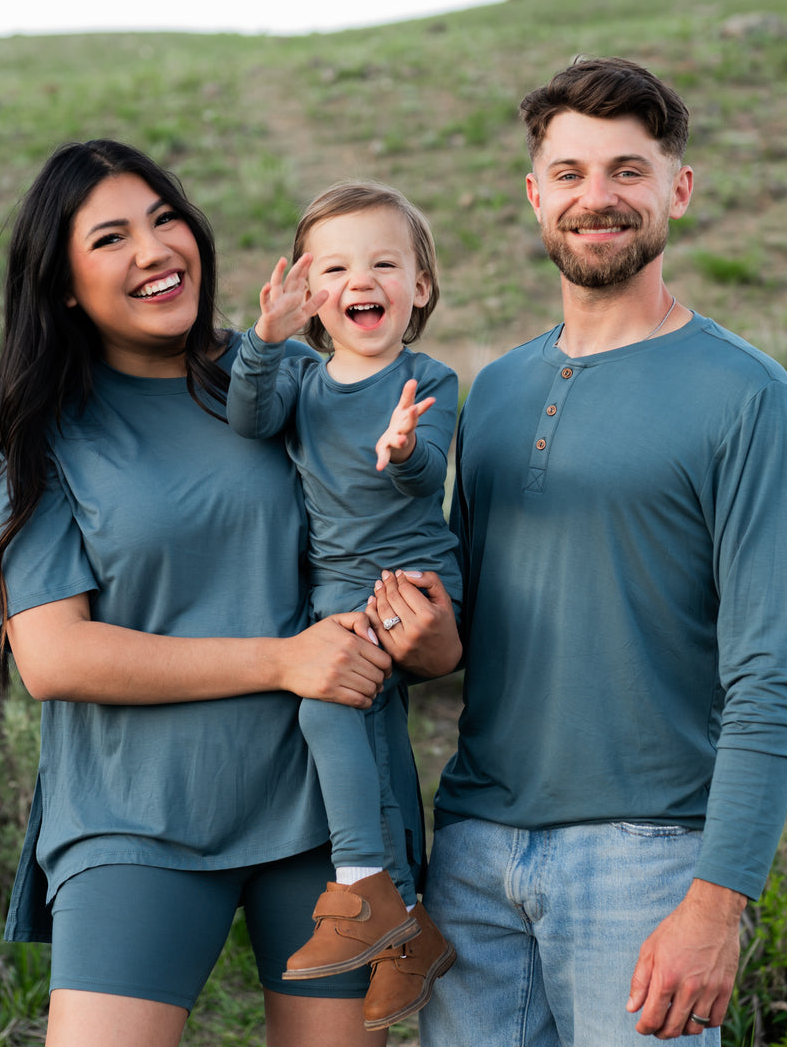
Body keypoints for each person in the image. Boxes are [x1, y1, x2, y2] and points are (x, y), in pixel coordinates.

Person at [0, 140, 460, 1047]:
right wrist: (284, 658)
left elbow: (390, 540)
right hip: (134, 815)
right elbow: (55, 656)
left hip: (326, 814)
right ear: (64, 283)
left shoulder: (292, 378)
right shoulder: (40, 444)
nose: (153, 250)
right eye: (110, 237)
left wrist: (432, 641)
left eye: (164, 219)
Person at [417, 58, 787, 1045]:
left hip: (648, 863)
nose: (596, 199)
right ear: (535, 196)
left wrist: (716, 903)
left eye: (627, 171)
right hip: (472, 852)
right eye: (569, 174)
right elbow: (466, 641)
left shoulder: (749, 400)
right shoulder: (499, 391)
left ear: (677, 188)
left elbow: (778, 674)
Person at [226, 181, 460, 1031]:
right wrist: (263, 339)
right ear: (312, 293)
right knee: (373, 743)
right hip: (336, 593)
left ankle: (361, 884)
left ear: (420, 288)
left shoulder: (427, 374)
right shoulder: (299, 377)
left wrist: (400, 450)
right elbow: (249, 421)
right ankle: (409, 933)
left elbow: (428, 468)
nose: (361, 279)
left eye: (384, 263)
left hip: (411, 585)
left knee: (327, 710)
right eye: (336, 267)